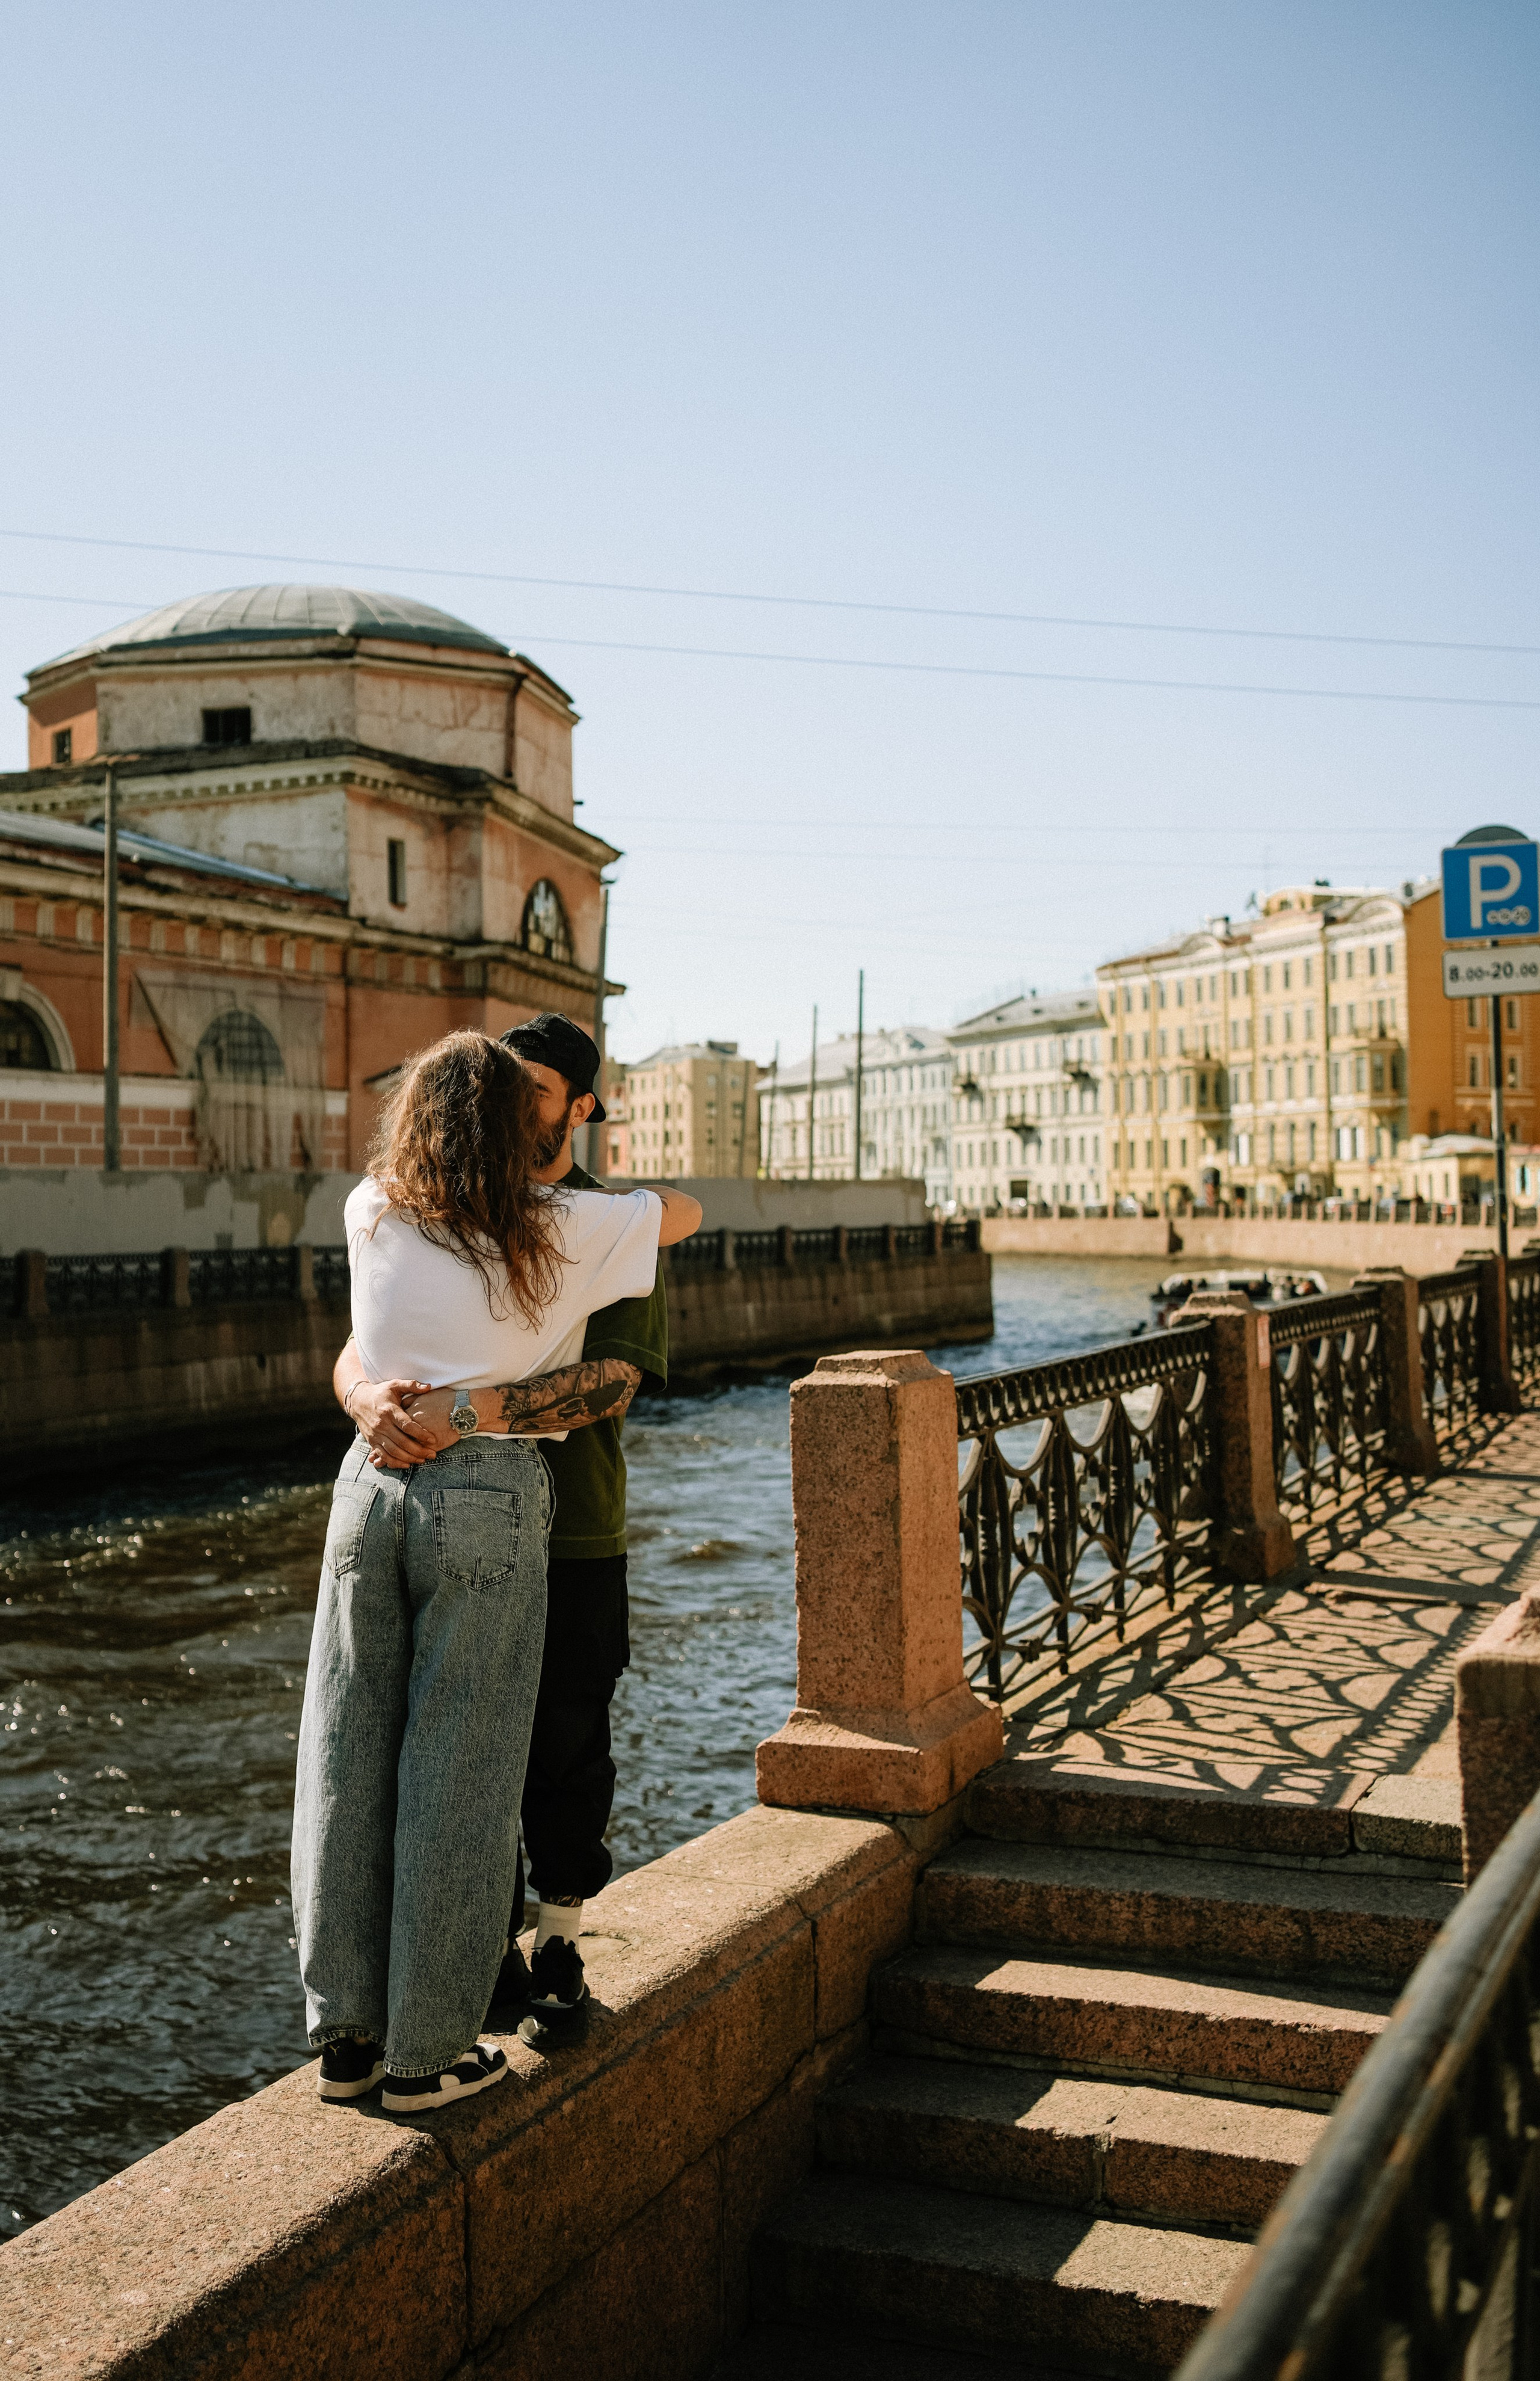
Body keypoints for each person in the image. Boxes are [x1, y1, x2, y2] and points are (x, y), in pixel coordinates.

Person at [293, 1029, 700, 2112]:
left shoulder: (373, 1207)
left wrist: (394, 1404)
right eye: (519, 1097)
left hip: (385, 1490)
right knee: (463, 1773)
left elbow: (605, 1379)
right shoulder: (574, 1225)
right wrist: (400, 1396)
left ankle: (354, 2038)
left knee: (349, 1755)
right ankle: (429, 2049)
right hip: (488, 1496)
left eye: (552, 1096)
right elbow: (687, 1213)